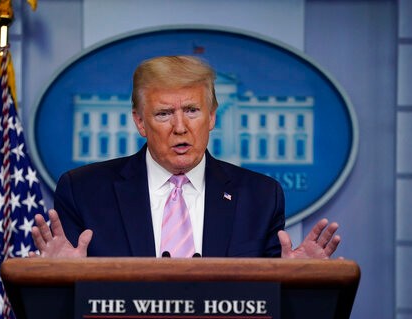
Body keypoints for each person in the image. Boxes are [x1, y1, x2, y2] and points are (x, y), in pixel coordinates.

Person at [29, 55, 341, 259]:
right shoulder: (84, 191)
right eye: (164, 113)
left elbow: (269, 310)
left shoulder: (260, 196)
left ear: (212, 116)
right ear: (140, 121)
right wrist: (61, 278)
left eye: (192, 110)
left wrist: (294, 280)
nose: (181, 127)